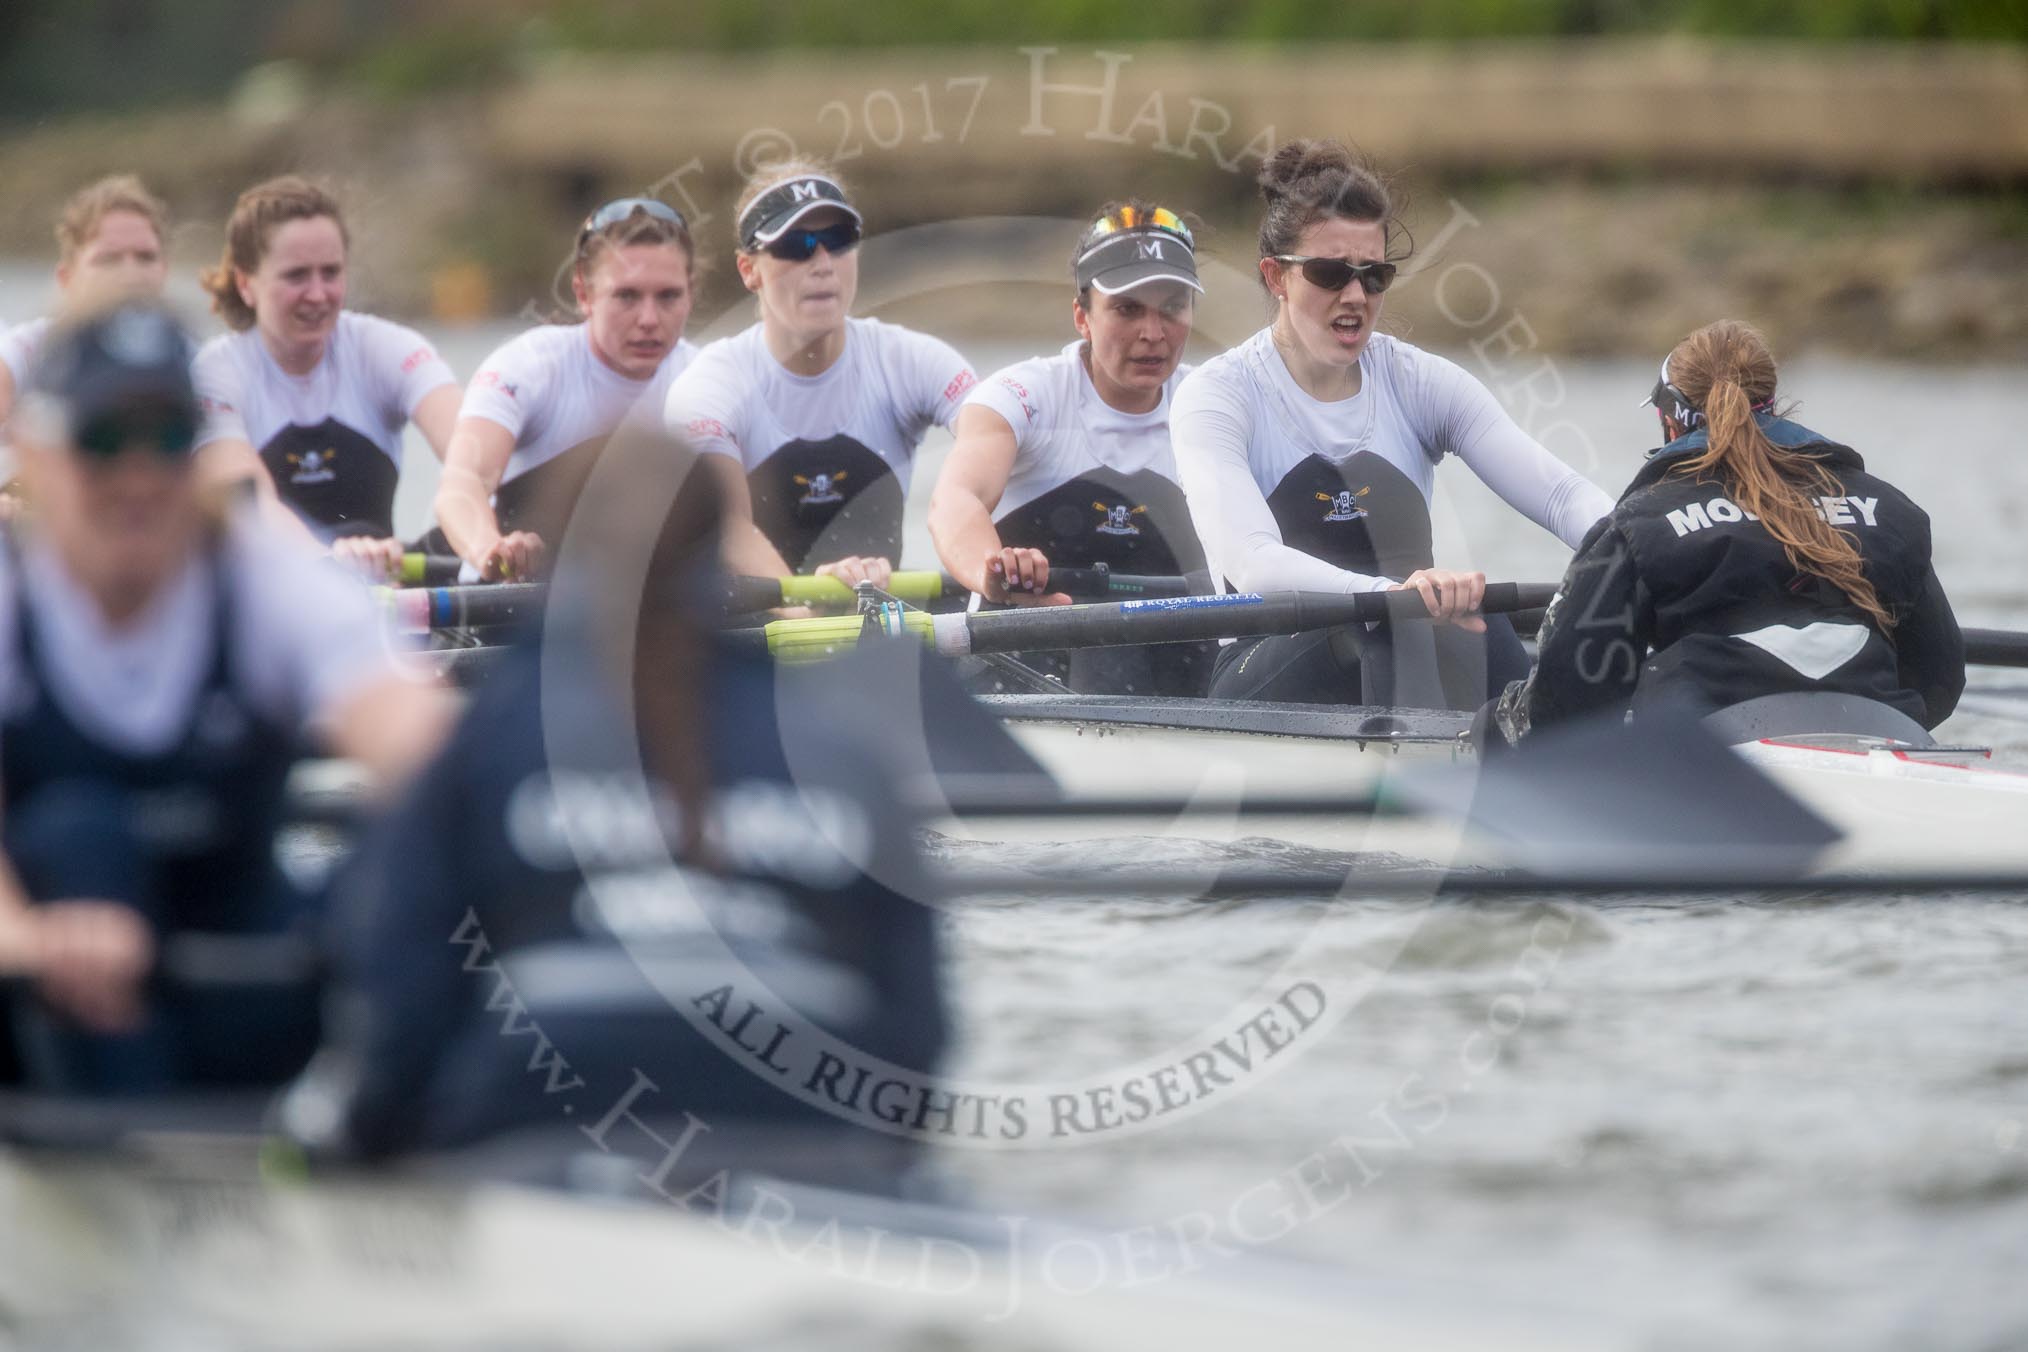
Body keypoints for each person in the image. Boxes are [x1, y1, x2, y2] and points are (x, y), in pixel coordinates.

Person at [281, 428, 947, 1166]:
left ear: (567, 542)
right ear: (722, 545)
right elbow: (918, 1036)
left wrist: (371, 1145)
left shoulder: (490, 735)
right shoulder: (840, 743)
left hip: (535, 1131)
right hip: (810, 1146)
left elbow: (400, 992)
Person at [0, 301, 455, 1093]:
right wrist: (27, 939)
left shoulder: (259, 577)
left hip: (230, 960)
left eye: (170, 439)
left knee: (380, 883)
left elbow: (416, 739)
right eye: (104, 440)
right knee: (81, 832)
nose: (139, 477)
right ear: (37, 455)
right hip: (40, 995)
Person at [1170, 140, 1613, 711]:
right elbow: (1254, 562)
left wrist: (1631, 551)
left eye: (1373, 275)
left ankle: (1539, 767)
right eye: (1331, 273)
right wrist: (1393, 595)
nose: (1355, 295)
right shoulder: (1218, 396)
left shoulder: (1420, 382)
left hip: (1405, 633)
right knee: (1387, 625)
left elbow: (1561, 494)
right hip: (1264, 667)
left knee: (1484, 624)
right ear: (1275, 277)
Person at [1483, 319, 1964, 744]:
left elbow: (1562, 706)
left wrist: (1501, 719)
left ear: (1670, 422)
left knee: (1495, 729)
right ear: (1774, 407)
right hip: (1882, 740)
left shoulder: (1638, 528)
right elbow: (1939, 678)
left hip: (1708, 767)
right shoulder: (1892, 512)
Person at [928, 200, 1212, 695]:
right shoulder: (1022, 396)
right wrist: (991, 572)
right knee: (1108, 643)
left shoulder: (1213, 405)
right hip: (1027, 659)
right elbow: (955, 501)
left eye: (1172, 306)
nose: (1153, 332)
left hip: (1178, 658)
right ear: (1082, 316)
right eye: (1127, 309)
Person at [665, 161, 976, 590]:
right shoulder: (712, 384)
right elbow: (728, 526)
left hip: (876, 622)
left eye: (838, 240)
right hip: (752, 637)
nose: (823, 262)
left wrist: (987, 555)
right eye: (797, 245)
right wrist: (805, 609)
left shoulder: (912, 361)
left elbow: (996, 445)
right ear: (748, 270)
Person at [193, 176, 461, 576]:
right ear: (246, 284)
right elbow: (250, 501)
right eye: (297, 276)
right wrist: (329, 561)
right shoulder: (214, 373)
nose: (318, 295)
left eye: (330, 273)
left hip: (382, 578)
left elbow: (470, 449)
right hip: (272, 588)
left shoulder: (384, 348)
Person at [431, 199, 700, 582]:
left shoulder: (706, 378)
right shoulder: (530, 366)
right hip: (516, 606)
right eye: (626, 296)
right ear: (583, 293)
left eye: (668, 296)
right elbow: (462, 482)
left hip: (646, 611)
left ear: (691, 293)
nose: (649, 319)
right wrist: (489, 548)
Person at [0, 175, 172, 429]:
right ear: (67, 278)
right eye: (109, 259)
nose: (131, 274)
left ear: (165, 271)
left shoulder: (195, 363)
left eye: (145, 257)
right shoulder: (24, 353)